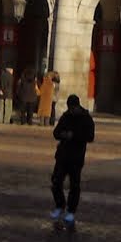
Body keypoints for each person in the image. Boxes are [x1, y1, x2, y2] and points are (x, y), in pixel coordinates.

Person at [49, 94, 96, 227]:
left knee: (74, 185)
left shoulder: (86, 118)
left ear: (77, 106)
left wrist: (74, 136)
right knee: (56, 181)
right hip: (62, 155)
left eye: (73, 108)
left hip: (76, 157)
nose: (71, 110)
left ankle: (71, 211)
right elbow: (56, 132)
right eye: (69, 108)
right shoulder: (66, 116)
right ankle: (60, 205)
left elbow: (90, 136)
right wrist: (63, 134)